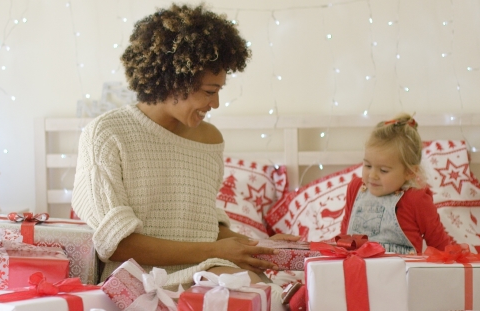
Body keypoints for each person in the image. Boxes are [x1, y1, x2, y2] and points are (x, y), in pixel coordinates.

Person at [71, 3, 297, 309]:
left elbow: (202, 225)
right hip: (142, 278)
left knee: (271, 298)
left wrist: (258, 247)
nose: (215, 103)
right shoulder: (107, 134)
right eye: (208, 91)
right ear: (174, 79)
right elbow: (118, 245)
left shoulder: (209, 138)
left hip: (208, 268)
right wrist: (215, 253)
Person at [339, 113, 452, 254]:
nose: (372, 175)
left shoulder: (416, 199)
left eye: (383, 170)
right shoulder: (356, 188)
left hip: (399, 274)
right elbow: (345, 236)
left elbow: (440, 245)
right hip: (357, 272)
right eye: (367, 166)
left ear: (410, 172)